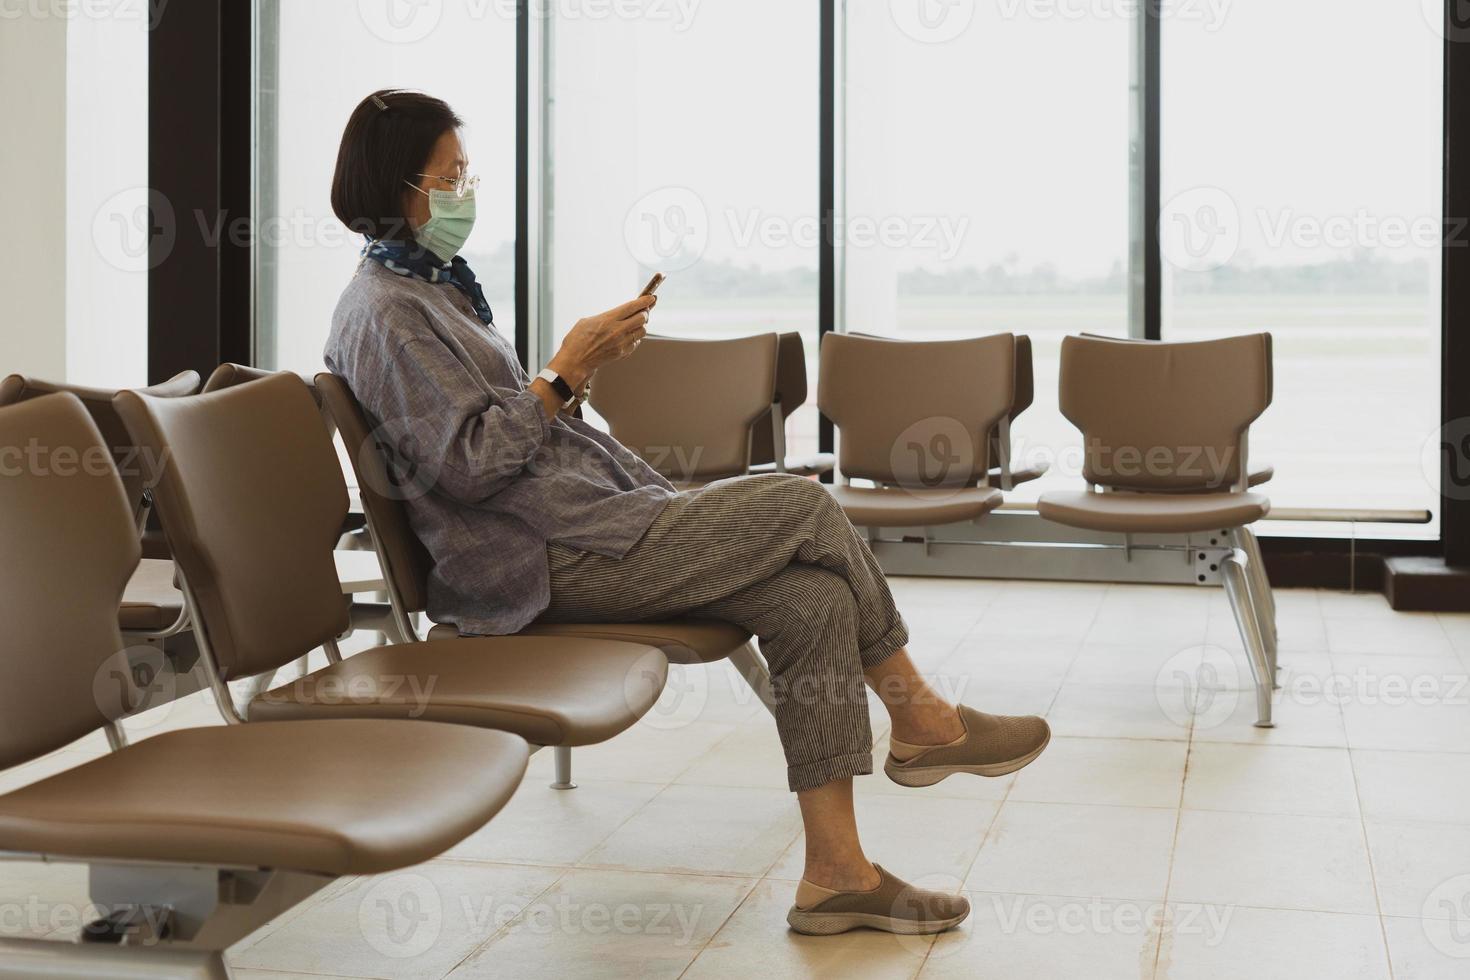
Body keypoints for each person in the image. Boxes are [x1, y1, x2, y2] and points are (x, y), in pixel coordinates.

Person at [325, 89, 1050, 937]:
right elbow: (472, 465)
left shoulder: (431, 290)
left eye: (465, 174)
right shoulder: (387, 314)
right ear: (395, 183)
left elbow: (508, 435)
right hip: (538, 561)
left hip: (586, 523)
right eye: (449, 177)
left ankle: (837, 875)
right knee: (802, 502)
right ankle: (923, 717)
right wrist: (562, 372)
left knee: (809, 602)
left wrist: (579, 371)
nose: (464, 192)